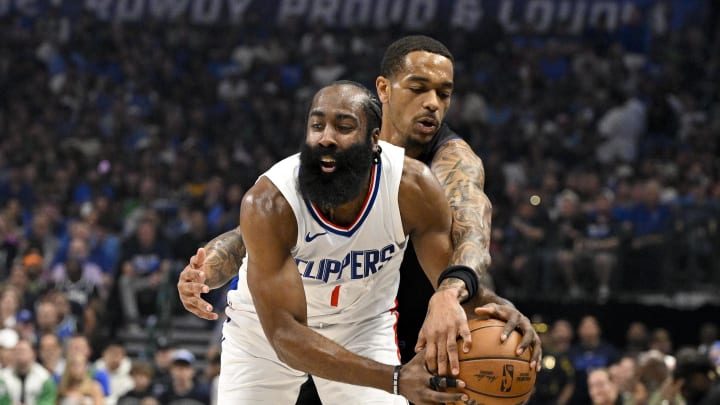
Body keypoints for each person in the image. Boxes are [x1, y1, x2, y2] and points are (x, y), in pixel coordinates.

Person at [177, 35, 541, 377]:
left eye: (443, 94)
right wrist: (206, 268)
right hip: (327, 320)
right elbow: (256, 231)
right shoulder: (338, 146)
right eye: (418, 88)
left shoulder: (452, 160)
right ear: (383, 89)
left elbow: (473, 233)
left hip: (419, 322)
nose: (433, 102)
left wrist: (455, 293)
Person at [205, 81, 475, 404]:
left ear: (374, 139)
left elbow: (449, 282)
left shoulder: (412, 189)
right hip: (267, 333)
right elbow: (284, 336)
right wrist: (395, 379)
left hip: (360, 325)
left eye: (344, 126)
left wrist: (493, 310)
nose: (326, 137)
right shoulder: (270, 202)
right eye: (316, 125)